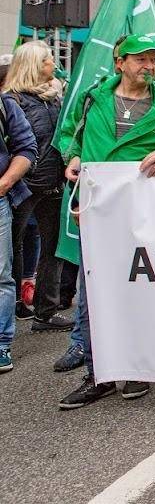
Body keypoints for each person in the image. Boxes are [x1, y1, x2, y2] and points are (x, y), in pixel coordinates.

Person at [57, 34, 155, 408]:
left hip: (143, 210)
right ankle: (97, 372)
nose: (148, 67)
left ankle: (135, 366)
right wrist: (72, 156)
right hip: (98, 207)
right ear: (120, 63)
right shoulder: (94, 97)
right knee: (94, 290)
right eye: (140, 59)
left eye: (153, 60)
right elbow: (71, 134)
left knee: (139, 288)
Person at [4, 42, 69, 335]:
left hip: (53, 182)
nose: (53, 65)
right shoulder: (12, 100)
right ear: (33, 65)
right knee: (12, 249)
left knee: (53, 247)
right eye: (47, 60)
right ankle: (16, 304)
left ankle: (45, 311)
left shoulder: (53, 99)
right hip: (23, 185)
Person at [0, 56, 39, 374]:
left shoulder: (5, 105)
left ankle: (1, 345)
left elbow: (27, 148)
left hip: (1, 199)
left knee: (1, 276)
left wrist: (5, 182)